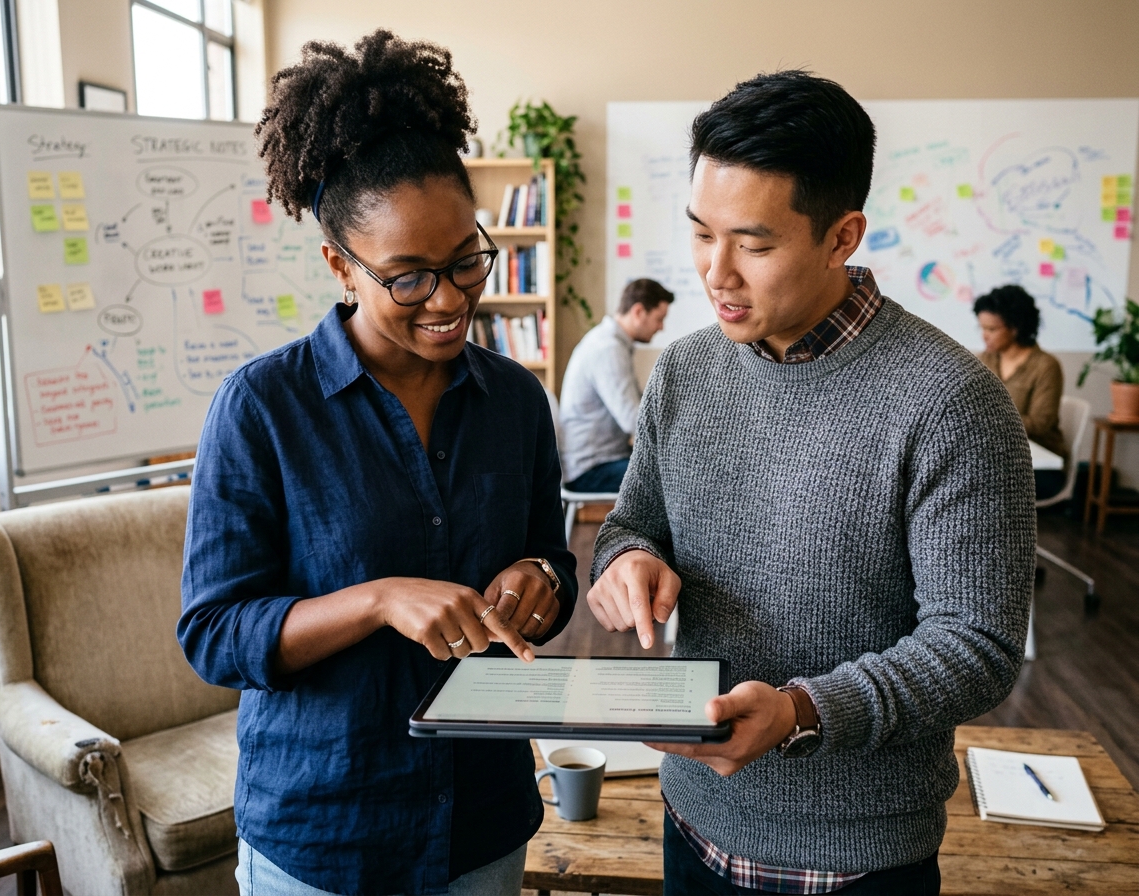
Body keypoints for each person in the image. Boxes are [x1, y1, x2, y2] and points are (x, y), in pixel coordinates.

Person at [586, 70, 1034, 895]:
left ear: (842, 236)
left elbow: (979, 644)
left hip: (857, 857)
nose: (716, 272)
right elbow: (632, 520)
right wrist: (626, 560)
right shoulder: (684, 369)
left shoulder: (950, 401)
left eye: (753, 245)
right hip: (691, 817)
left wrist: (800, 712)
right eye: (700, 233)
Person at [177, 32, 576, 896]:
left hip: (483, 820)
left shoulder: (514, 400)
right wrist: (377, 600)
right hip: (327, 829)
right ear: (340, 266)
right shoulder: (262, 408)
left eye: (466, 260)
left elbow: (553, 556)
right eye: (408, 277)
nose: (450, 298)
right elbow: (213, 634)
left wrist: (541, 579)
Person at [559, 278, 673, 492]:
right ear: (638, 312)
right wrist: (680, 438)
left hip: (604, 459)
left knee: (673, 469)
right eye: (659, 319)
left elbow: (639, 408)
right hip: (591, 469)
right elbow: (633, 420)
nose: (661, 327)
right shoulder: (608, 349)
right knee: (675, 474)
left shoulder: (613, 344)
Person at [975, 284, 1067, 500]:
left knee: (982, 485)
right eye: (982, 328)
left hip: (1038, 465)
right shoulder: (983, 360)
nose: (984, 336)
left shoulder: (1045, 366)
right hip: (995, 457)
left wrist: (988, 422)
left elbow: (1040, 423)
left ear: (1015, 327)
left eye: (992, 329)